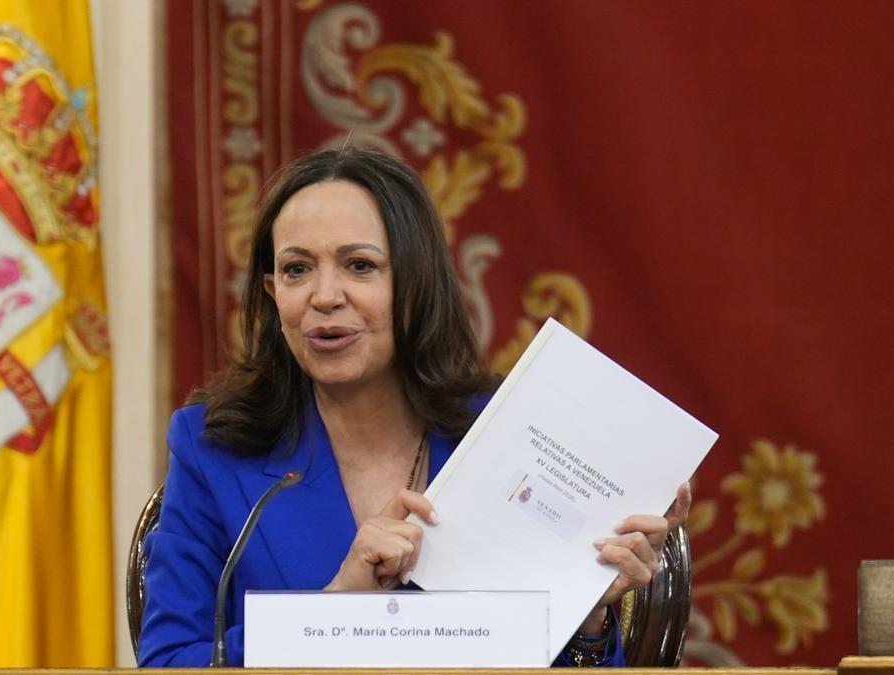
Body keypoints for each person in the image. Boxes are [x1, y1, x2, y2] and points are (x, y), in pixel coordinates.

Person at [138, 148, 691, 667]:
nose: (324, 296)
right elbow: (168, 663)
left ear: (415, 284)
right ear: (271, 291)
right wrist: (335, 606)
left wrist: (588, 616)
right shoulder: (213, 449)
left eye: (359, 266)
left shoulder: (511, 433)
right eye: (296, 269)